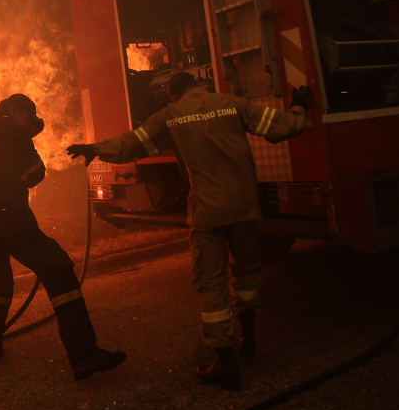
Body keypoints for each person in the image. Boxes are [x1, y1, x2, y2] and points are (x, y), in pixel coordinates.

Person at [67, 74, 311, 391]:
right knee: (247, 273)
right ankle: (247, 337)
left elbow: (132, 144)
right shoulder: (231, 104)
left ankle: (226, 364)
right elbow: (282, 128)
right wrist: (299, 107)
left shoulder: (171, 116)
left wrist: (95, 148)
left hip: (209, 213)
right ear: (200, 87)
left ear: (172, 96)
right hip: (244, 207)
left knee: (212, 286)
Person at [0, 93, 126, 381]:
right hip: (6, 219)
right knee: (59, 268)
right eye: (29, 115)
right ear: (14, 111)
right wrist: (26, 147)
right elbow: (35, 173)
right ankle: (83, 354)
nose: (31, 121)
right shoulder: (13, 131)